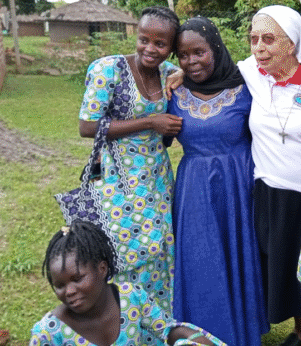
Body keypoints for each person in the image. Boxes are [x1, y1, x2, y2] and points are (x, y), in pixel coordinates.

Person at [237, 5, 301, 346]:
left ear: (292, 43)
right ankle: (298, 332)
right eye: (253, 39)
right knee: (283, 265)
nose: (258, 48)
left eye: (269, 39)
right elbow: (209, 68)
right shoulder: (253, 73)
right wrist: (177, 74)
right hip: (269, 190)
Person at [167, 16, 269, 346]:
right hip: (194, 189)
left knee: (238, 254)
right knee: (200, 256)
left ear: (216, 48)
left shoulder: (247, 85)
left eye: (199, 52)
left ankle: (241, 331)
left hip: (238, 187)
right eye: (183, 55)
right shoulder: (173, 91)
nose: (191, 61)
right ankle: (201, 334)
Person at [76, 6, 181, 313]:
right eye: (143, 39)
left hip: (157, 176)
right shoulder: (108, 70)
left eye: (160, 43)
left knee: (160, 247)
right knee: (125, 248)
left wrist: (184, 75)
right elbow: (87, 126)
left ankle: (158, 319)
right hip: (116, 177)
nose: (150, 48)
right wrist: (150, 122)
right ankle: (122, 318)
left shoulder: (169, 73)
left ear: (171, 47)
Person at [29, 220, 226, 346]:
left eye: (77, 279)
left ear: (102, 269)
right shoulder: (49, 332)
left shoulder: (131, 298)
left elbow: (168, 329)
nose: (69, 291)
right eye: (59, 285)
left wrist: (195, 340)